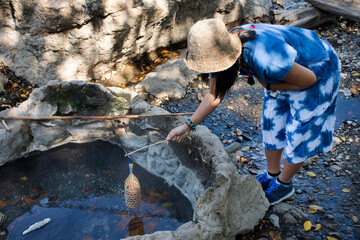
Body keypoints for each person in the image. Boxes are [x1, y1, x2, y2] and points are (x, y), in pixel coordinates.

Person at [166, 18, 340, 205]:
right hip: (281, 74)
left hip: (315, 69)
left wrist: (268, 84)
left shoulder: (264, 57)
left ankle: (284, 185)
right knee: (271, 123)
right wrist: (187, 126)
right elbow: (214, 95)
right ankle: (272, 174)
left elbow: (308, 80)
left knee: (299, 131)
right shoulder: (218, 46)